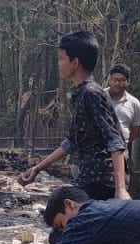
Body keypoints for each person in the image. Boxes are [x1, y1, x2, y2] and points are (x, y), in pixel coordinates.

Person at [17, 31, 128, 200]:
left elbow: (114, 140)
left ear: (75, 63)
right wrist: (37, 169)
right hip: (89, 178)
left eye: (62, 58)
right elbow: (70, 142)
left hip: (103, 182)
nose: (59, 63)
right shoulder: (80, 93)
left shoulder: (91, 93)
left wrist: (120, 189)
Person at [107, 64, 140, 160]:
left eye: (122, 80)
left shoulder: (134, 103)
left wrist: (123, 141)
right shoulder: (99, 97)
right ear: (110, 81)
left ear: (128, 82)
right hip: (99, 151)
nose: (117, 83)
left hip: (122, 153)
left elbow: (136, 131)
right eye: (115, 80)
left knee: (121, 174)